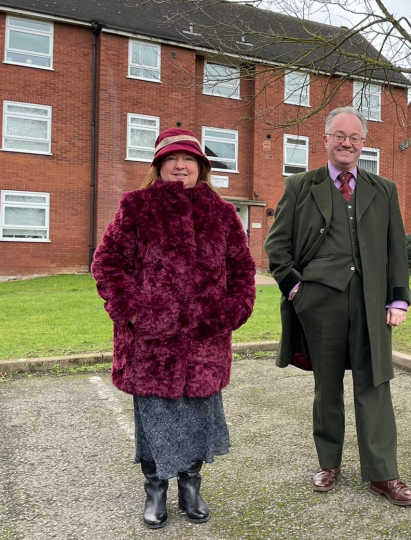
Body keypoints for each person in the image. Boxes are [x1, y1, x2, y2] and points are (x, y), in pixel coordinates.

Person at [91, 127, 257, 528]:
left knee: (200, 416)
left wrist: (229, 312)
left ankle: (191, 485)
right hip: (151, 344)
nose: (180, 167)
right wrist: (134, 312)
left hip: (205, 342)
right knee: (155, 419)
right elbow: (107, 264)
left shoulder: (222, 213)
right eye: (172, 160)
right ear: (159, 166)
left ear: (201, 167)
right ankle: (155, 488)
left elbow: (242, 269)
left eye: (189, 160)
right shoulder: (136, 208)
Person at [264, 107, 411, 506]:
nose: (347, 143)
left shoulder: (384, 188)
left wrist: (399, 297)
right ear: (326, 139)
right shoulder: (299, 185)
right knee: (326, 386)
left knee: (375, 386)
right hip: (320, 303)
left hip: (371, 304)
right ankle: (328, 463)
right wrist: (296, 290)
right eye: (339, 135)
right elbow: (277, 247)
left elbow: (395, 247)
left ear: (364, 144)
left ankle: (383, 474)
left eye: (354, 137)